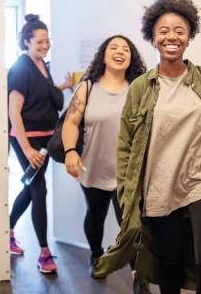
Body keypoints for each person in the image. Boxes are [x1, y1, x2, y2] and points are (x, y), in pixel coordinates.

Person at [93, 0, 201, 293]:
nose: (171, 36)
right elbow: (126, 144)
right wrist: (128, 193)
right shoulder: (141, 87)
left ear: (189, 37)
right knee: (170, 264)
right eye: (163, 31)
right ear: (153, 38)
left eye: (179, 30)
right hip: (159, 186)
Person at [62, 35, 151, 293]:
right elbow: (70, 123)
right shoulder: (86, 88)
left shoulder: (139, 88)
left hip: (128, 174)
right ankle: (96, 254)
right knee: (95, 216)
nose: (120, 51)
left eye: (126, 49)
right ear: (103, 55)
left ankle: (139, 278)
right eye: (114, 47)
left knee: (131, 225)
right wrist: (70, 151)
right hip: (93, 168)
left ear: (131, 58)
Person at [7, 14, 74, 274]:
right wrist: (27, 149)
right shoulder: (21, 68)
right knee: (39, 190)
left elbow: (41, 94)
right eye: (39, 42)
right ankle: (45, 253)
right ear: (26, 42)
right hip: (28, 140)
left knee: (31, 186)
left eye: (48, 42)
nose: (45, 46)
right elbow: (15, 112)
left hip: (46, 137)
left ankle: (7, 230)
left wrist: (64, 86)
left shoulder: (42, 64)